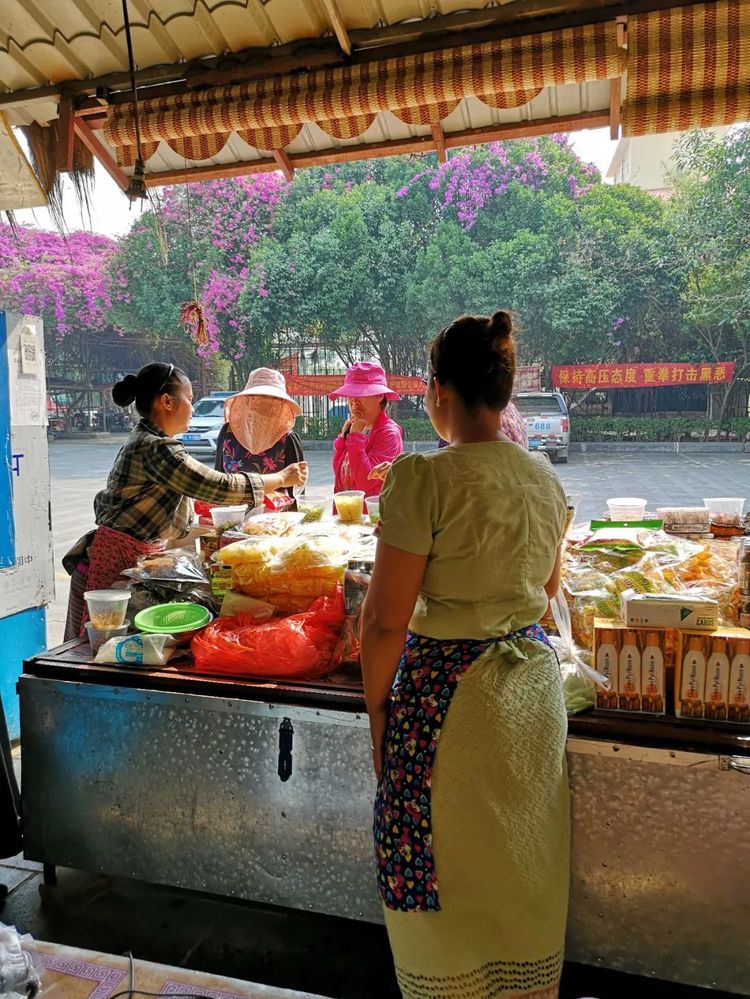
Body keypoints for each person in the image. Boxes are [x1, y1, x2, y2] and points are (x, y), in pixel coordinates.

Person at [360, 312, 569, 999]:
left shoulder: (423, 478)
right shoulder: (545, 481)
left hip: (449, 701)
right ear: (503, 393)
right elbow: (545, 594)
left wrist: (377, 715)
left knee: (439, 862)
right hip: (531, 696)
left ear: (440, 392)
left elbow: (387, 621)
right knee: (518, 855)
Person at [64, 362, 307, 639]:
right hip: (114, 561)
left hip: (133, 553)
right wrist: (279, 478)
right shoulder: (156, 447)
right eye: (190, 399)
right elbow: (215, 485)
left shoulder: (150, 440)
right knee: (100, 645)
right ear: (167, 402)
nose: (193, 408)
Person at [215, 368, 304, 494]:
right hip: (235, 511)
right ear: (248, 400)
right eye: (258, 397)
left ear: (280, 403)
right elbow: (218, 479)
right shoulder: (228, 432)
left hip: (277, 512)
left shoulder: (288, 439)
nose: (264, 402)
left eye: (272, 398)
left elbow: (296, 488)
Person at [330, 362, 404, 497]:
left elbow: (367, 480)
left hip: (371, 516)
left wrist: (355, 438)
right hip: (346, 512)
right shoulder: (356, 428)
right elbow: (340, 472)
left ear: (379, 396)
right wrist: (343, 439)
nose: (354, 402)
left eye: (359, 394)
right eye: (349, 395)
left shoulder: (388, 433)